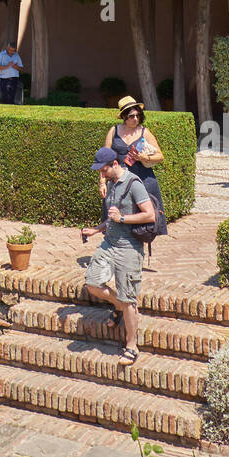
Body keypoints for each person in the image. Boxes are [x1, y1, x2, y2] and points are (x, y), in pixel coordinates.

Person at [80, 146, 155, 367]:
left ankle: (132, 345)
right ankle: (117, 305)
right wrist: (96, 229)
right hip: (109, 243)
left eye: (103, 170)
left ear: (114, 164)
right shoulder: (111, 184)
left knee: (129, 298)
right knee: (92, 282)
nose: (101, 175)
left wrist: (123, 219)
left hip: (129, 248)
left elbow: (149, 214)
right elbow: (112, 218)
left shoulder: (134, 184)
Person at [104, 96, 168, 253]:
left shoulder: (144, 132)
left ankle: (137, 250)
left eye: (138, 115)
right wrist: (101, 182)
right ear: (124, 116)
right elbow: (105, 158)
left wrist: (144, 157)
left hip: (142, 179)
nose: (135, 118)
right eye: (132, 116)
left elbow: (160, 156)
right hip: (118, 180)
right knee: (116, 214)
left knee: (142, 217)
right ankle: (118, 248)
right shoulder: (114, 131)